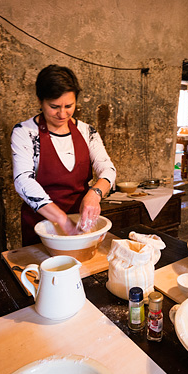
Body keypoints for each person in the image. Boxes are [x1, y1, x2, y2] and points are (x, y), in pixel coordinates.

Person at [12, 65, 116, 246]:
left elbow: (107, 168)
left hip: (81, 222)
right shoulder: (25, 132)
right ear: (40, 101)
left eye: (69, 106)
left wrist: (95, 193)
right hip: (42, 226)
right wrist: (62, 220)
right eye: (54, 107)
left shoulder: (86, 131)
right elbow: (23, 181)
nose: (62, 114)